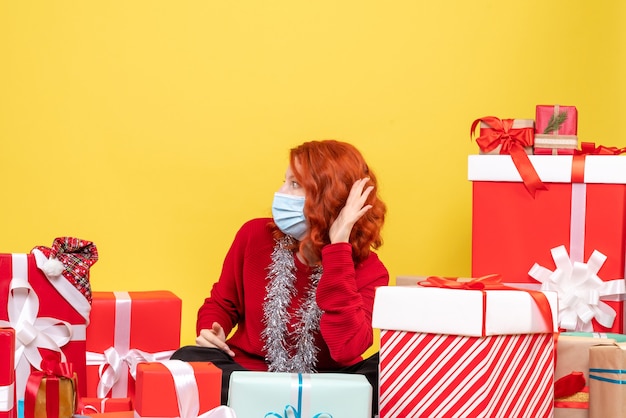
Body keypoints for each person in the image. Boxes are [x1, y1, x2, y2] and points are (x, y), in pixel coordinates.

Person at [171, 139, 388, 416]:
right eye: (284, 181)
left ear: (330, 198)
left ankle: (265, 408)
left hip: (330, 381)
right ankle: (298, 408)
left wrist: (338, 249)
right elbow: (222, 303)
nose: (280, 192)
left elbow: (347, 349)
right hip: (250, 374)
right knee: (185, 362)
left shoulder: (371, 269)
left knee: (389, 371)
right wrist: (212, 328)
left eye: (295, 185)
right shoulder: (253, 236)